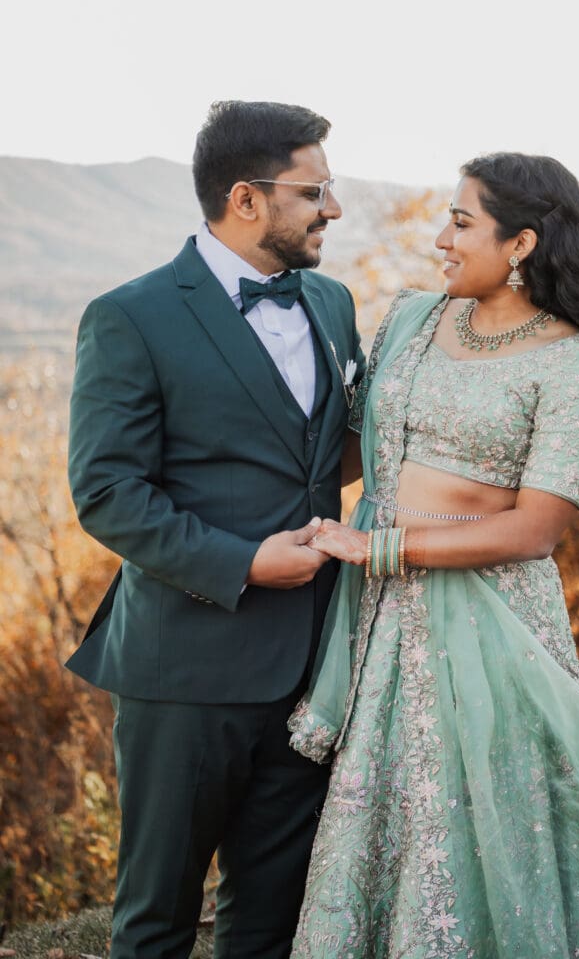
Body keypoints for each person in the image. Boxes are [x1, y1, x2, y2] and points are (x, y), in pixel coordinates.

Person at [287, 152, 579, 958]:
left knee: (486, 817)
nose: (441, 239)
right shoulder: (412, 319)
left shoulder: (575, 366)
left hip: (488, 624)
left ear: (522, 243)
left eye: (461, 222)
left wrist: (378, 546)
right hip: (373, 614)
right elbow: (350, 452)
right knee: (383, 813)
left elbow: (535, 530)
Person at [66, 100, 365, 959]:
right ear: (246, 198)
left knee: (270, 920)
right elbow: (108, 492)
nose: (333, 210)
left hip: (314, 662)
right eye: (315, 191)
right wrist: (244, 564)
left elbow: (323, 457)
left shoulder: (332, 303)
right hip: (186, 668)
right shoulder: (132, 316)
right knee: (156, 921)